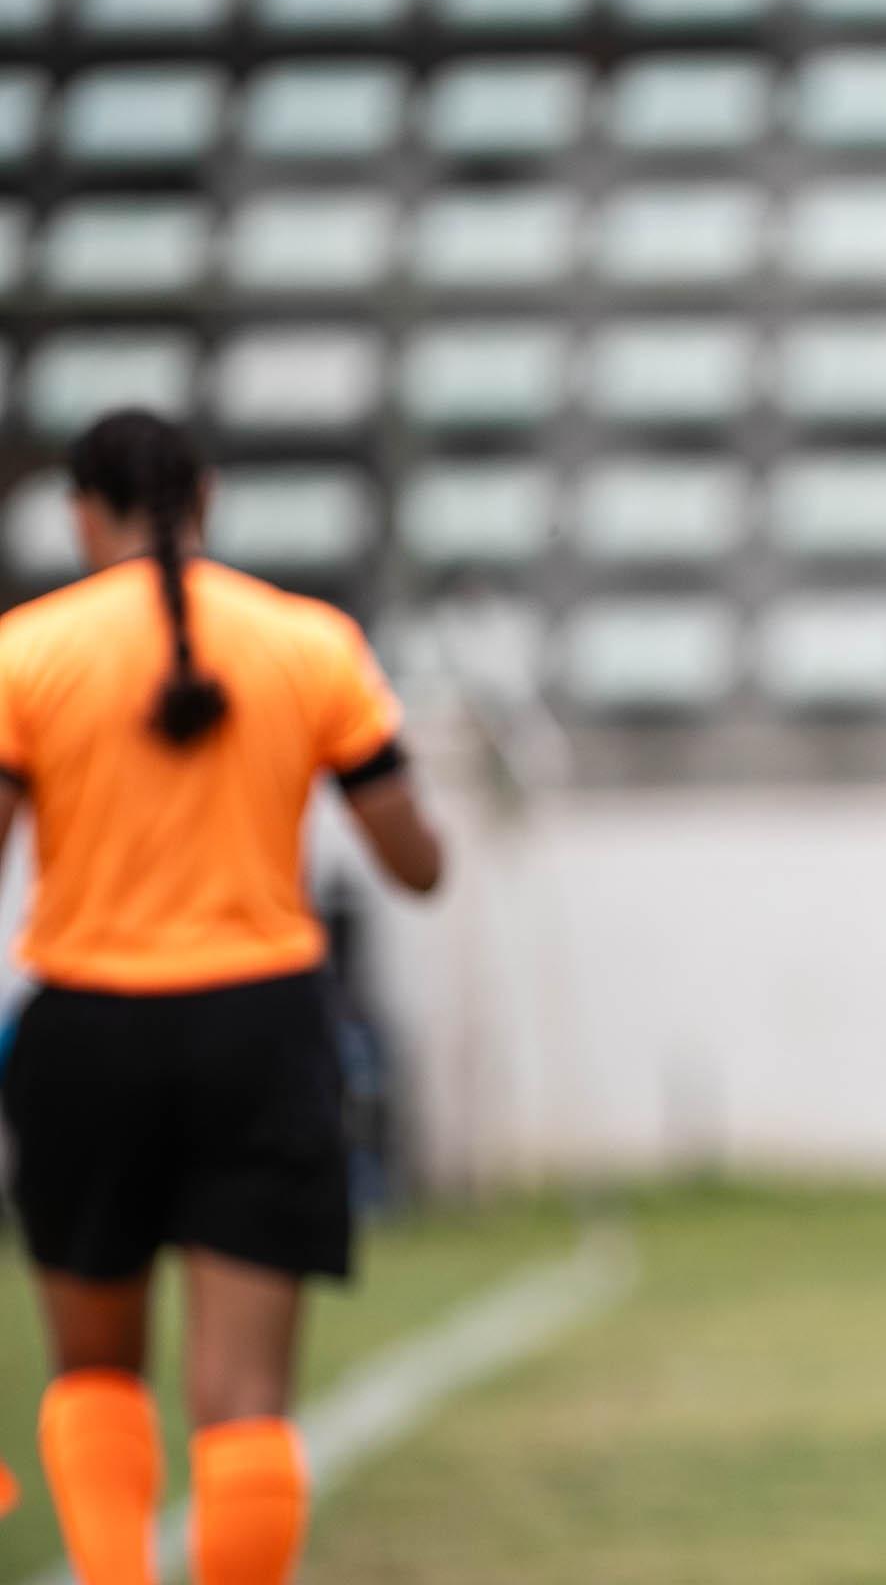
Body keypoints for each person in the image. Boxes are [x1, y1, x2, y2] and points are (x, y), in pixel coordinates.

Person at [0, 410, 444, 1585]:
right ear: (205, 498)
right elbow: (415, 863)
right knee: (244, 1400)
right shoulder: (310, 642)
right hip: (262, 1028)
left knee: (96, 1373)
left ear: (80, 513)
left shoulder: (24, 651)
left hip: (86, 1031)